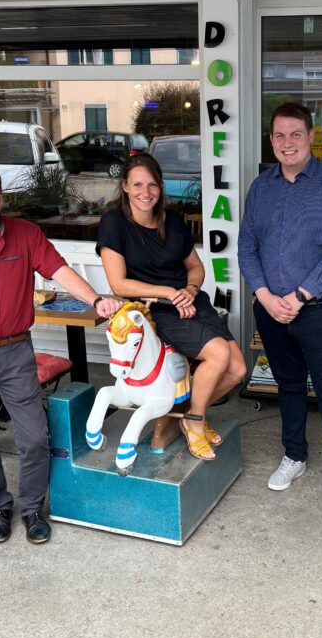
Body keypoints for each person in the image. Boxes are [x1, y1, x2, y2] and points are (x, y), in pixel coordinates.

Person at [0, 159, 122, 545]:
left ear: (2, 197)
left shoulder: (26, 235)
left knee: (34, 437)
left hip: (15, 352)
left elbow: (59, 270)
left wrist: (96, 299)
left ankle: (32, 509)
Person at [238, 101, 322, 515]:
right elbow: (246, 246)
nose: (287, 142)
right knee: (289, 388)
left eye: (296, 134)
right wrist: (263, 294)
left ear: (312, 137)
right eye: (279, 135)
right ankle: (294, 456)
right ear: (271, 140)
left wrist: (298, 296)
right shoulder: (261, 187)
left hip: (318, 310)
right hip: (270, 310)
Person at [96, 153, 246, 461]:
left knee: (239, 369)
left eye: (152, 185)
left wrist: (189, 290)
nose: (145, 192)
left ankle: (188, 413)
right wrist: (168, 293)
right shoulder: (115, 223)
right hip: (154, 310)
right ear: (125, 186)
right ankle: (194, 423)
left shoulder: (172, 221)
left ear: (160, 187)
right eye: (137, 184)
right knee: (219, 354)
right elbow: (118, 284)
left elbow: (196, 268)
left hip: (189, 302)